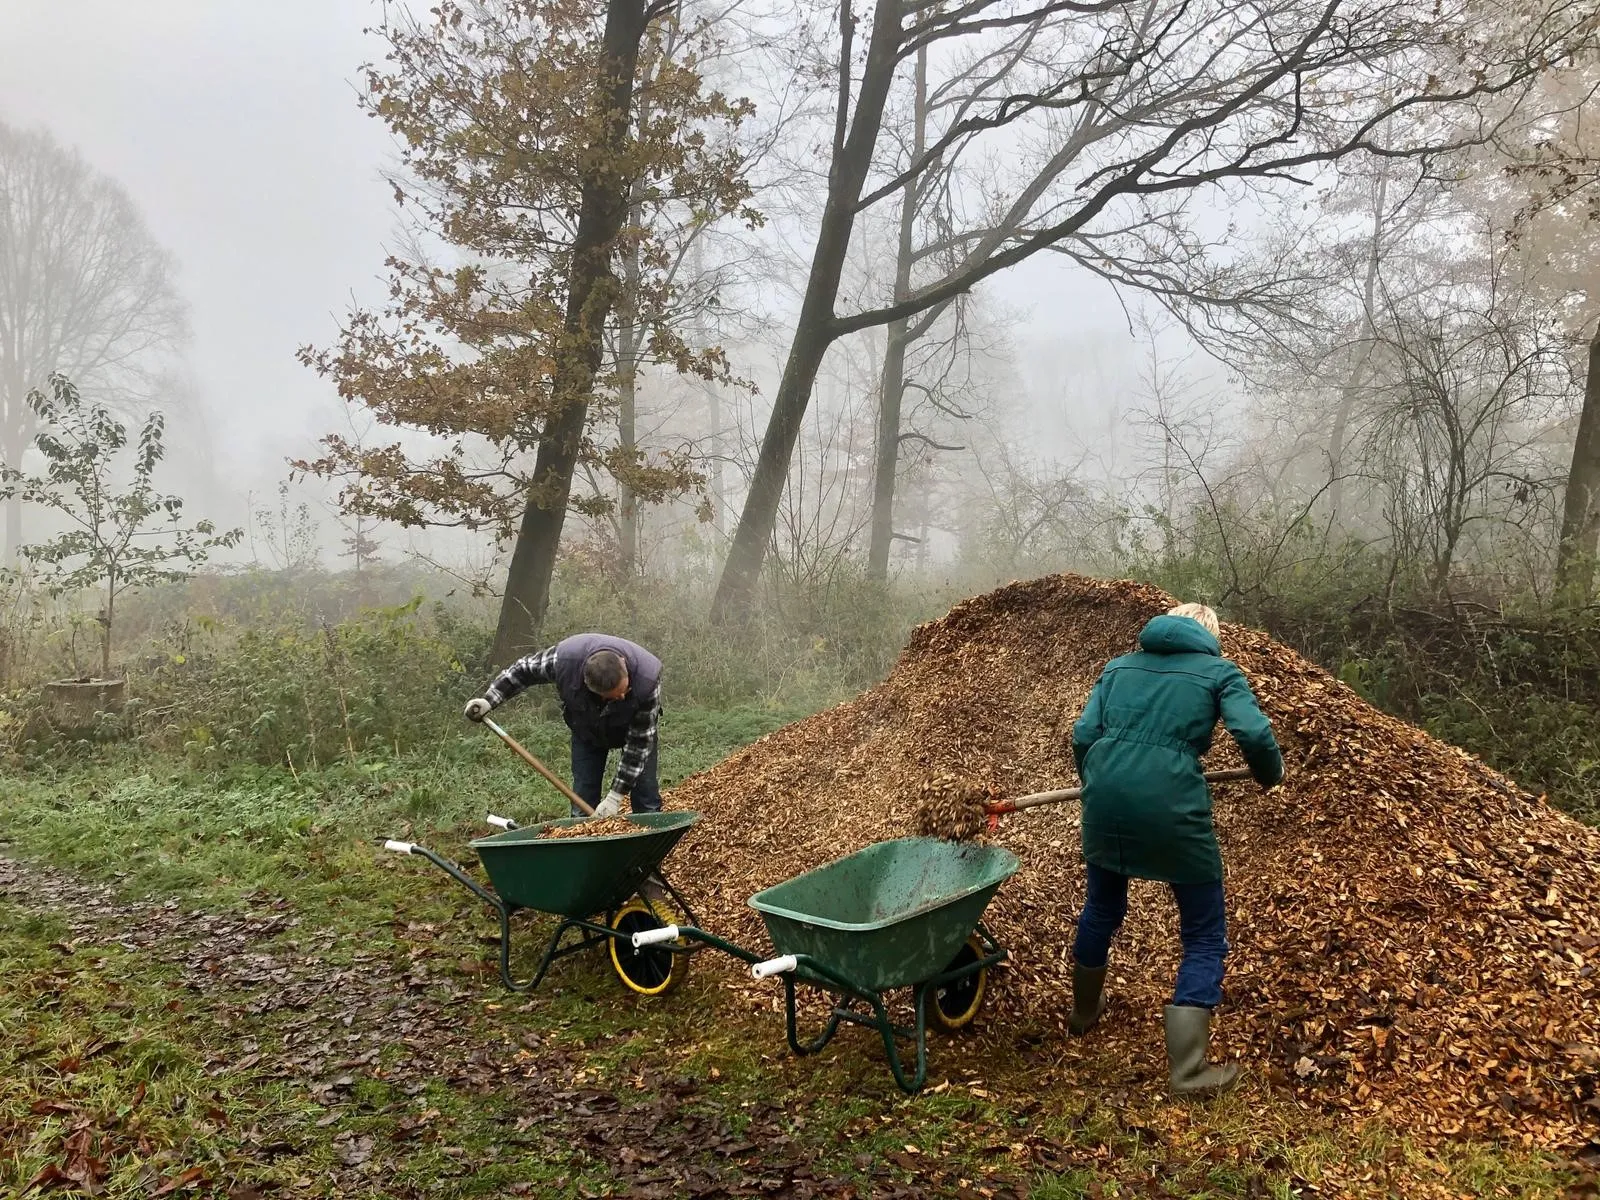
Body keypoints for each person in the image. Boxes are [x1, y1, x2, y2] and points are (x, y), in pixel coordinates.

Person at [1068, 602, 1283, 1096]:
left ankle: (1082, 1012)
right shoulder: (1219, 672)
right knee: (1204, 932)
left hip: (1105, 803)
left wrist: (1098, 780)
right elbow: (1252, 732)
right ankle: (1188, 1070)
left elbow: (1084, 734)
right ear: (1208, 635)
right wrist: (1272, 774)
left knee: (1102, 905)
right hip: (1173, 807)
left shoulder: (1118, 666)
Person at [464, 633, 663, 819]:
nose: (622, 696)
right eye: (614, 696)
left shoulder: (647, 679)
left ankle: (653, 847)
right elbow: (523, 670)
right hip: (586, 729)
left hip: (634, 730)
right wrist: (490, 700)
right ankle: (585, 850)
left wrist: (615, 797)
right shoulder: (565, 661)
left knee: (646, 800)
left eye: (625, 690)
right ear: (589, 686)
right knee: (583, 800)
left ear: (623, 665)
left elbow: (638, 746)